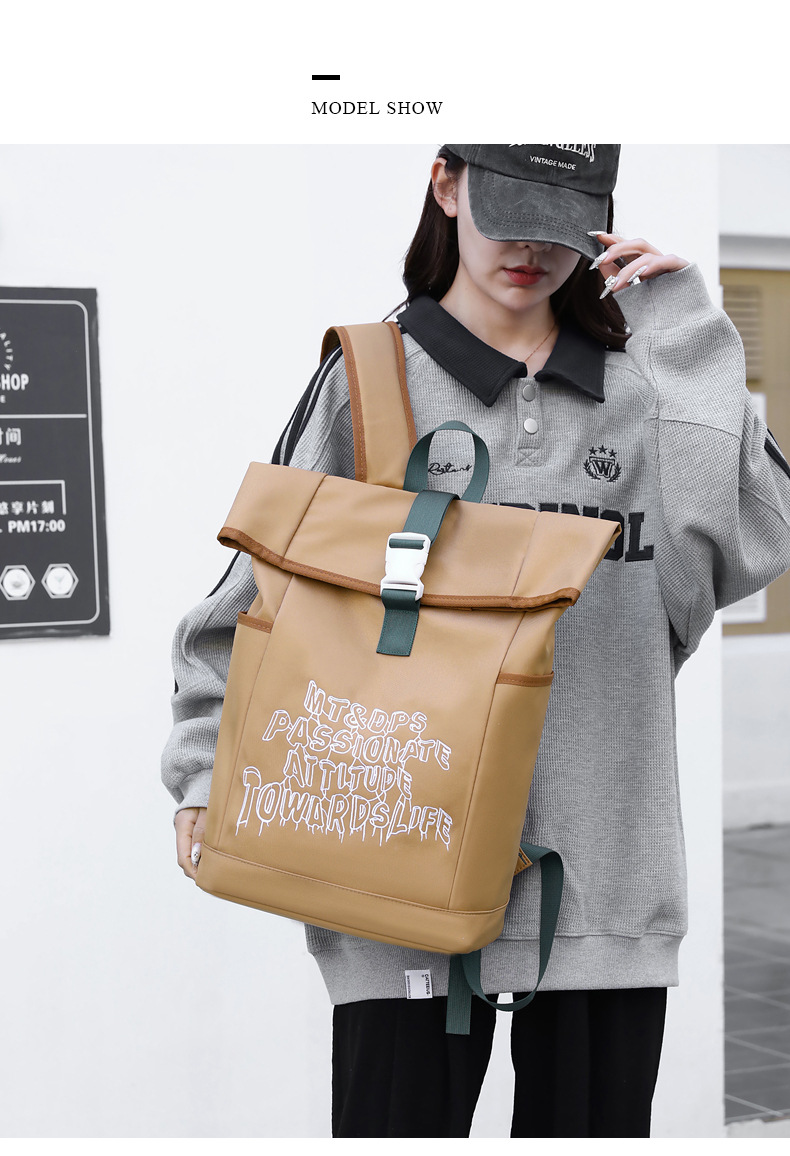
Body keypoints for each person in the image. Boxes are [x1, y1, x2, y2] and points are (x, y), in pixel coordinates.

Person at [161, 144, 790, 1139]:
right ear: (447, 184)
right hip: (390, 872)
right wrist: (203, 767)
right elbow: (251, 597)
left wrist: (691, 339)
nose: (532, 250)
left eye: (560, 223)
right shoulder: (369, 380)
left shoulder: (648, 388)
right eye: (510, 214)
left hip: (605, 883)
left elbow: (750, 540)